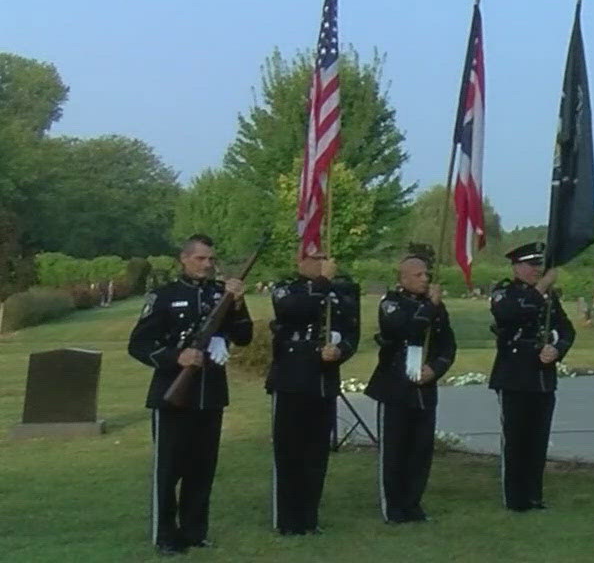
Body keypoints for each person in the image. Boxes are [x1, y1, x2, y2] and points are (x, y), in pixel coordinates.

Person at [127, 234, 254, 555]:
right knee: (169, 469)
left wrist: (238, 303)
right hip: (172, 394)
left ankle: (195, 531)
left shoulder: (220, 294)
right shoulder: (165, 296)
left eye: (211, 259)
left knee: (202, 468)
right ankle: (166, 535)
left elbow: (244, 336)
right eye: (200, 258)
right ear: (184, 259)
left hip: (209, 394)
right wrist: (176, 357)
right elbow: (139, 344)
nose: (207, 264)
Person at [264, 251, 359, 536]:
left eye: (326, 257)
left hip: (323, 381)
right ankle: (288, 519)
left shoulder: (342, 291)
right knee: (289, 451)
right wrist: (322, 282)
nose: (323, 262)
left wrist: (340, 351)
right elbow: (291, 311)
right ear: (300, 260)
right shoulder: (286, 288)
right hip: (292, 380)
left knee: (317, 454)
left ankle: (309, 516)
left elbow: (351, 333)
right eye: (315, 257)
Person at [367, 253, 456, 524]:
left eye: (426, 275)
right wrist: (430, 306)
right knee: (395, 449)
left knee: (420, 450)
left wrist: (436, 369)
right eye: (418, 275)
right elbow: (408, 330)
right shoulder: (391, 304)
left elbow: (448, 346)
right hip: (396, 387)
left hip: (424, 389)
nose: (425, 279)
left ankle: (413, 503)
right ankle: (393, 507)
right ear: (403, 278)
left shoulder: (435, 306)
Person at [489, 241, 576, 511]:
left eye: (540, 264)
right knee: (516, 439)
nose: (537, 270)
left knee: (538, 439)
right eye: (531, 264)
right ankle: (515, 498)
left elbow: (567, 330)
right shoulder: (504, 292)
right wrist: (541, 288)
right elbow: (511, 313)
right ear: (516, 267)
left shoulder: (549, 297)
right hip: (515, 375)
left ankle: (534, 495)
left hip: (542, 376)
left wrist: (557, 349)